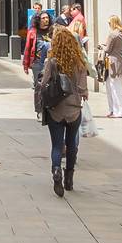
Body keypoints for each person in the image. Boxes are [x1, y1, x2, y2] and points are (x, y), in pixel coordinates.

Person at [40, 25, 88, 196]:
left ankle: (56, 171)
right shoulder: (79, 62)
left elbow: (44, 83)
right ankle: (69, 178)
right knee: (72, 144)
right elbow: (83, 88)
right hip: (74, 109)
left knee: (57, 145)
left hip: (56, 110)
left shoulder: (52, 61)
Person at [23, 9, 54, 117]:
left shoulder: (52, 31)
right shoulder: (32, 32)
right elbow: (27, 48)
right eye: (43, 18)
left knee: (51, 85)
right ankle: (39, 110)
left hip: (51, 62)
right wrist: (26, 65)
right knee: (39, 86)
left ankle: (49, 108)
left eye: (47, 18)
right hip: (37, 63)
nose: (46, 20)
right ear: (38, 20)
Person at [100, 16, 122, 119]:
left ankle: (118, 111)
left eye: (109, 23)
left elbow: (107, 49)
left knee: (114, 88)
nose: (108, 25)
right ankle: (115, 110)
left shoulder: (113, 35)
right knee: (116, 86)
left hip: (113, 63)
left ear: (113, 23)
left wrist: (102, 46)